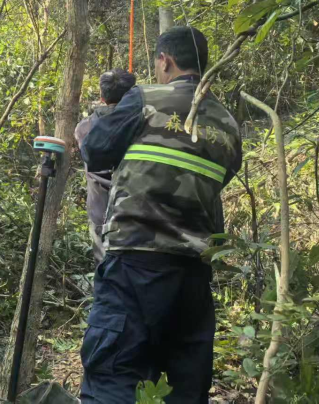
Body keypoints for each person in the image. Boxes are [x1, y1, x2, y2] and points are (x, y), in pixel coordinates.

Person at [79, 27, 242, 404]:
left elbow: (94, 150)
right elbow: (219, 180)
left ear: (165, 61)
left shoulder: (146, 98)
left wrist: (108, 115)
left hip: (134, 267)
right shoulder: (229, 125)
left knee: (112, 378)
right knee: (186, 389)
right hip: (193, 277)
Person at [74, 69, 136, 264]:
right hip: (135, 211)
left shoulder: (84, 128)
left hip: (99, 211)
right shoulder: (141, 126)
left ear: (102, 96)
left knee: (104, 266)